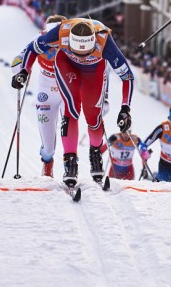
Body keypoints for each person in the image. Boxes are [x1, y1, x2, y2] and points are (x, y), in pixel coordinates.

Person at [11, 18, 134, 188]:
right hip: (67, 65)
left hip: (94, 70)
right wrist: (24, 71)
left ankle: (95, 153)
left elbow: (127, 77)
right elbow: (32, 48)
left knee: (93, 116)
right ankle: (70, 163)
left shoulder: (105, 42)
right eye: (77, 51)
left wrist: (125, 108)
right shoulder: (60, 33)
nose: (81, 56)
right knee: (71, 110)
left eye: (86, 52)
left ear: (93, 42)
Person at [11, 15, 67, 177]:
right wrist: (20, 72)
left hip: (66, 92)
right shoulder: (40, 38)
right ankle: (47, 165)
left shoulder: (71, 38)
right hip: (46, 93)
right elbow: (17, 61)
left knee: (69, 130)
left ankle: (70, 168)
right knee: (48, 147)